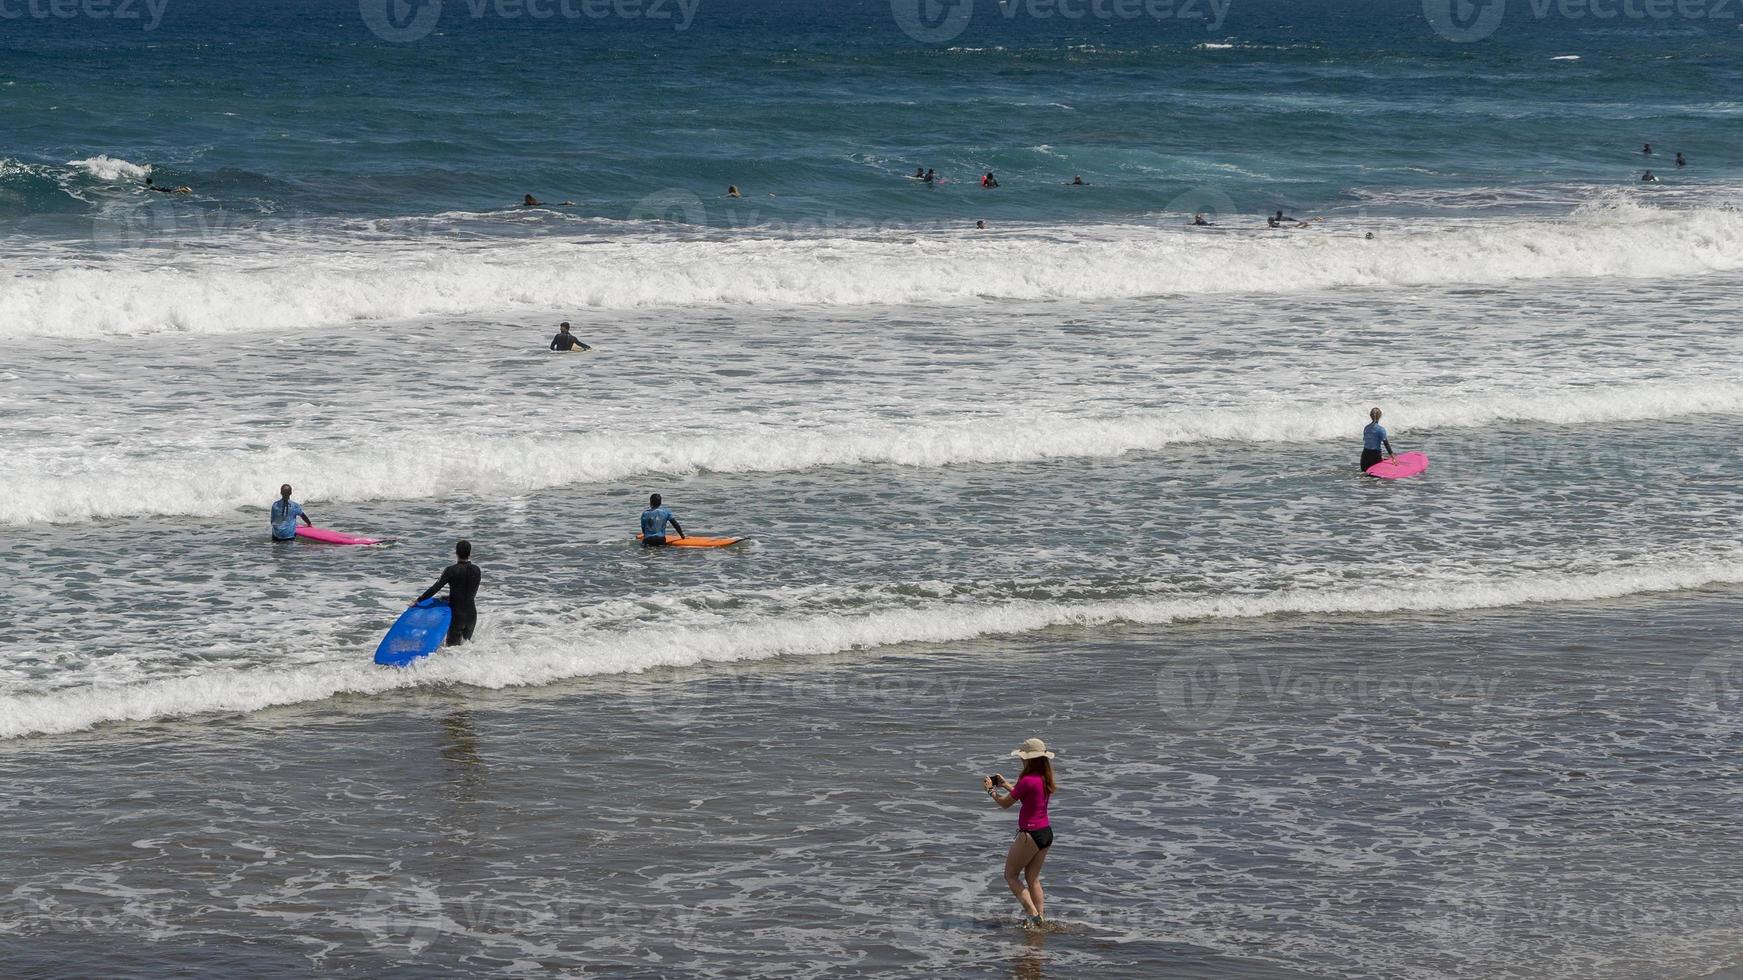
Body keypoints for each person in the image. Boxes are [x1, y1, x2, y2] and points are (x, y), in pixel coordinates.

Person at [983, 738, 1058, 929]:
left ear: (1028, 760)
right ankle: (1040, 919)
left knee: (1010, 875)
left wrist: (991, 791)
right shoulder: (1044, 779)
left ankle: (1033, 916)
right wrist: (1006, 784)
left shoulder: (1027, 780)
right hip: (1045, 833)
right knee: (1032, 878)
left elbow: (1006, 804)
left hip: (1030, 834)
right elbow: (1026, 797)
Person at [415, 540, 481, 647]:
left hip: (457, 616)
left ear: (456, 552)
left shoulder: (451, 570)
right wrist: (449, 597)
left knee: (452, 651)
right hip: (471, 615)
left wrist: (418, 600)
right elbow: (467, 592)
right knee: (466, 649)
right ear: (470, 553)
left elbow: (435, 588)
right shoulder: (477, 570)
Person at [1361, 407, 1395, 473]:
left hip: (1365, 456)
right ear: (1380, 416)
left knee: (1364, 476)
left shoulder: (1366, 428)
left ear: (1370, 416)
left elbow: (1366, 441)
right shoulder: (1381, 429)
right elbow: (1386, 443)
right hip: (1375, 456)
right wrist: (1393, 457)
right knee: (1375, 478)